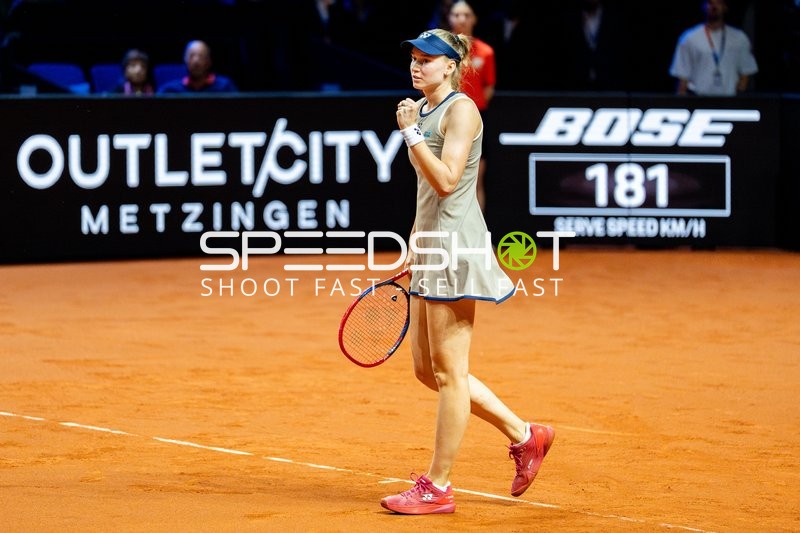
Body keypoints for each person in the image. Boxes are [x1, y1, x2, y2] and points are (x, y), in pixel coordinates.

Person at [380, 28, 554, 515]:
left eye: (428, 60)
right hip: (434, 245)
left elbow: (450, 179)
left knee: (449, 372)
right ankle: (527, 435)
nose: (417, 66)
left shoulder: (460, 110)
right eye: (413, 58)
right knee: (426, 371)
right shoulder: (427, 109)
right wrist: (416, 238)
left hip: (458, 247)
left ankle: (438, 486)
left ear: (451, 67)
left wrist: (411, 133)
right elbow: (428, 192)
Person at [447, 0, 494, 211]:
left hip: (477, 122)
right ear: (450, 18)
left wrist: (469, 112)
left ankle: (477, 240)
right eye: (457, 15)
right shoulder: (441, 51)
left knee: (475, 180)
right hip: (447, 121)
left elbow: (488, 89)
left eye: (466, 15)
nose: (461, 19)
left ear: (474, 19)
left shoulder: (485, 52)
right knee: (446, 181)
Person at [669, 0, 758, 96]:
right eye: (711, 3)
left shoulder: (739, 38)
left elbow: (746, 71)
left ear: (725, 7)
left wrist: (739, 96)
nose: (714, 6)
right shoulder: (689, 38)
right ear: (704, 6)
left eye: (718, 2)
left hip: (729, 101)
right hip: (698, 100)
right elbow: (682, 76)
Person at [158, 40, 238, 93]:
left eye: (201, 56)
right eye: (191, 56)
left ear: (209, 62)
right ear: (185, 60)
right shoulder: (171, 91)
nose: (196, 61)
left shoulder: (225, 87)